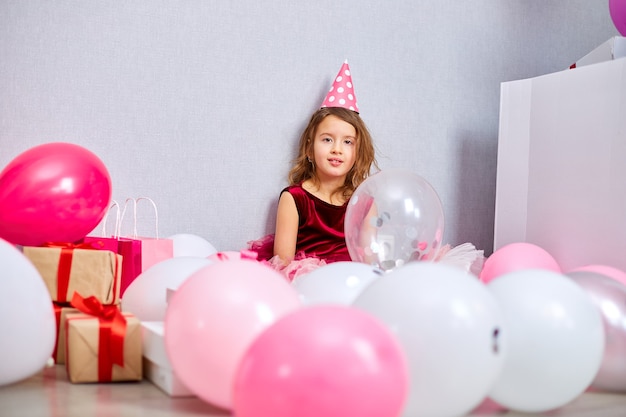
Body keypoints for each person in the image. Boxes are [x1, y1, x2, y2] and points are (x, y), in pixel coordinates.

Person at [249, 61, 378, 280]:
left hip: (353, 282)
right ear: (309, 148)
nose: (337, 149)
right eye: (327, 139)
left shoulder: (365, 203)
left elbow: (370, 262)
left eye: (348, 142)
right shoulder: (295, 198)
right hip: (307, 284)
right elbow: (283, 265)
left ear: (357, 154)